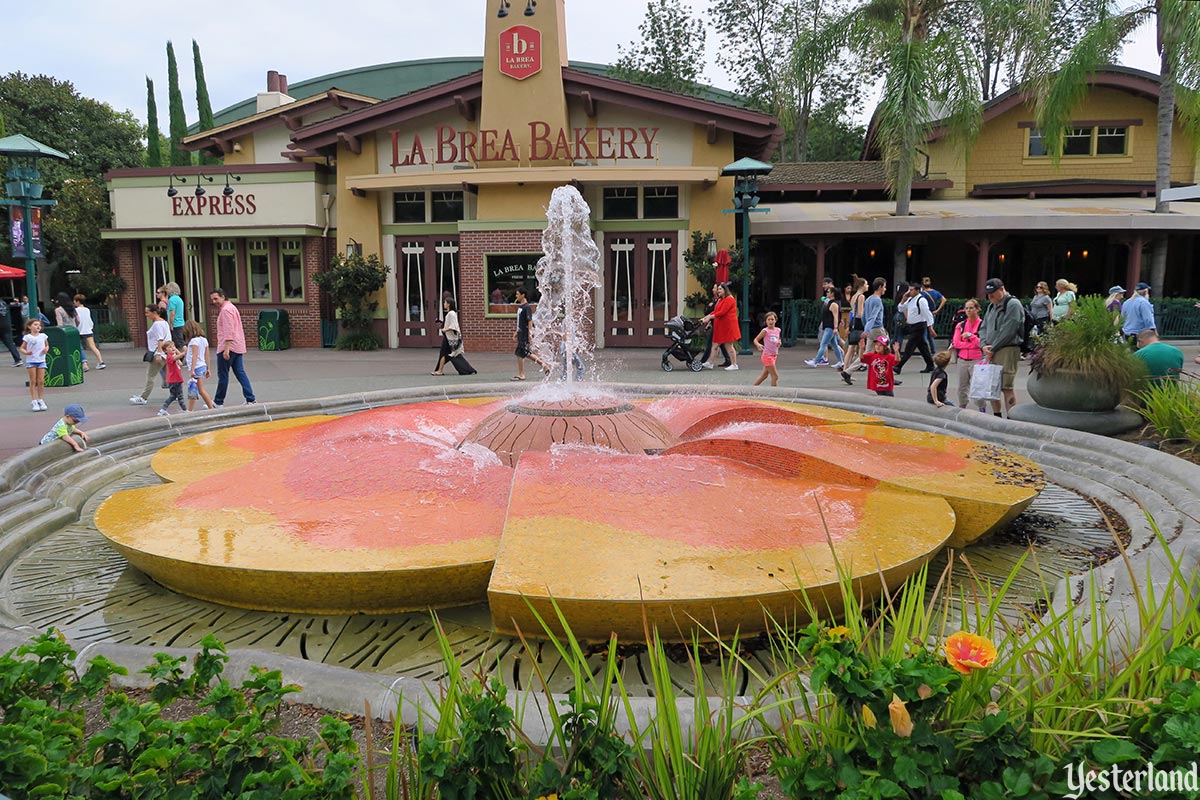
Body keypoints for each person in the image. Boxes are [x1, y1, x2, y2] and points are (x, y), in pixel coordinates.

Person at [979, 278, 1024, 417]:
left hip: (1007, 348)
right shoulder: (991, 306)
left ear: (1001, 289)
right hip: (991, 349)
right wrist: (983, 345)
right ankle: (997, 415)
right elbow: (984, 327)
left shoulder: (1013, 304)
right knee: (992, 386)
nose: (990, 296)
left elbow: (1009, 330)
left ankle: (1011, 417)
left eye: (993, 293)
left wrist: (992, 348)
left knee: (1006, 386)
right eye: (988, 294)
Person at [210, 288, 256, 405]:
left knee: (223, 375)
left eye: (216, 298)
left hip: (228, 347)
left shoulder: (225, 310)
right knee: (240, 372)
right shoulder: (232, 307)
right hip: (238, 346)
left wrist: (226, 349)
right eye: (212, 299)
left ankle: (218, 401)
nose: (214, 301)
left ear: (223, 297)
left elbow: (229, 330)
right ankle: (250, 398)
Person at [950, 298, 987, 411]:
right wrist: (973, 344)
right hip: (962, 359)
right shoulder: (960, 325)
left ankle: (981, 408)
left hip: (977, 359)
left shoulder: (982, 325)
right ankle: (962, 406)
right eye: (966, 308)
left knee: (978, 386)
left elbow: (983, 343)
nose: (968, 310)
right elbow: (956, 343)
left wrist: (971, 336)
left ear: (977, 309)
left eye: (971, 308)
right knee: (962, 387)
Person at [130, 305, 170, 405]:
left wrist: (159, 354)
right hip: (166, 354)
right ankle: (177, 394)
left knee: (151, 376)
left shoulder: (157, 324)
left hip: (159, 353)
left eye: (148, 312)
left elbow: (160, 339)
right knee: (169, 376)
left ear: (154, 312)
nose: (146, 315)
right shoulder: (164, 322)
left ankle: (143, 397)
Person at [895, 283, 935, 374]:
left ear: (917, 290)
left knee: (910, 347)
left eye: (912, 290)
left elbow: (927, 314)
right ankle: (930, 365)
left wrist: (930, 327)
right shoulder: (910, 299)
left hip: (919, 326)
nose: (910, 292)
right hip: (912, 326)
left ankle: (899, 366)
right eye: (909, 290)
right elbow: (900, 309)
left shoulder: (921, 300)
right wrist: (903, 299)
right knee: (922, 347)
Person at [432, 298, 476, 376]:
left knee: (443, 353)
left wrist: (445, 330)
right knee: (451, 354)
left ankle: (439, 371)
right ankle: (467, 369)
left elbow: (454, 326)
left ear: (449, 304)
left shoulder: (451, 313)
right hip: (449, 337)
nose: (444, 304)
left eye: (445, 303)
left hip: (450, 338)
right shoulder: (451, 313)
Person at [701, 282, 740, 371]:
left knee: (729, 345)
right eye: (718, 289)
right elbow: (716, 311)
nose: (718, 291)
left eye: (720, 289)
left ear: (725, 290)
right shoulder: (721, 299)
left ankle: (734, 364)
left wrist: (710, 317)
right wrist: (706, 317)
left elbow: (722, 312)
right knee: (715, 344)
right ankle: (710, 363)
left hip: (728, 325)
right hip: (721, 325)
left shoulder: (729, 299)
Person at [806, 286, 844, 369]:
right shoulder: (829, 302)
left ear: (833, 293)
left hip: (830, 327)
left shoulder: (834, 304)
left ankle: (815, 361)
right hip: (827, 325)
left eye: (828, 292)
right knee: (834, 345)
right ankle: (841, 362)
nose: (826, 293)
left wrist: (835, 327)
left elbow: (835, 317)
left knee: (823, 344)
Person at [182, 320, 214, 410]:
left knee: (194, 389)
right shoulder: (204, 340)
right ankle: (210, 407)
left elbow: (194, 355)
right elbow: (207, 355)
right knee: (198, 389)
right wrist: (208, 368)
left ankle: (190, 410)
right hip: (202, 366)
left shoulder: (193, 341)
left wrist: (192, 370)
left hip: (196, 367)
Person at [19, 318, 48, 412]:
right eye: (35, 324)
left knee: (41, 381)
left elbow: (47, 345)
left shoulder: (43, 336)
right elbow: (22, 348)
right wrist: (27, 352)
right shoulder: (27, 337)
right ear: (29, 326)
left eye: (39, 325)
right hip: (31, 361)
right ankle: (34, 400)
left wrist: (46, 349)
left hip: (41, 360)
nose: (38, 326)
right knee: (33, 381)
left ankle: (41, 399)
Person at [53, 292, 87, 371]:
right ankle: (84, 363)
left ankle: (68, 365)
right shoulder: (72, 308)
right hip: (74, 330)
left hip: (65, 331)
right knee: (78, 347)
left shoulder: (58, 310)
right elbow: (78, 320)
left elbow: (60, 323)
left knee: (65, 348)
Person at [699, 284, 730, 369]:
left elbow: (719, 312)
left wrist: (708, 317)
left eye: (717, 288)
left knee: (712, 343)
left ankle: (704, 361)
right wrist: (707, 320)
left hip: (719, 324)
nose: (714, 290)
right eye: (717, 288)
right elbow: (713, 312)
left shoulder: (722, 300)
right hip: (715, 323)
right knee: (720, 344)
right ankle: (728, 360)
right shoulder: (717, 299)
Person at [841, 276, 868, 375]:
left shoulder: (853, 296)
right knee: (862, 346)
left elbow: (852, 312)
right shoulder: (861, 296)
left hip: (854, 322)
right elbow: (860, 313)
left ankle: (845, 369)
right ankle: (850, 369)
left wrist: (849, 325)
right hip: (860, 322)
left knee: (851, 347)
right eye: (866, 284)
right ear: (862, 286)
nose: (867, 286)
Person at [73, 294, 105, 369]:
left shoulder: (75, 310)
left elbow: (76, 320)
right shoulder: (87, 310)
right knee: (93, 346)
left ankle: (85, 364)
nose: (73, 302)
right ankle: (101, 362)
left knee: (79, 347)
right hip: (88, 330)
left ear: (78, 301)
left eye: (74, 301)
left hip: (79, 330)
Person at [157, 341, 187, 416]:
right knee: (179, 396)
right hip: (174, 380)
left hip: (177, 379)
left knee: (173, 396)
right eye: (170, 347)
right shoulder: (169, 357)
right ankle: (185, 410)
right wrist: (183, 353)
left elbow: (180, 363)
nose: (172, 348)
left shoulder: (173, 356)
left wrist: (176, 352)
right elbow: (176, 357)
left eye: (173, 346)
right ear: (165, 351)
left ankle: (163, 409)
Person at [1120, 282, 1156, 347]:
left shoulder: (1127, 302)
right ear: (1145, 292)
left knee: (1132, 354)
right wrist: (1153, 332)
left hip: (1127, 333)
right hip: (1140, 334)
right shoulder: (1144, 302)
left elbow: (1122, 318)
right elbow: (1148, 320)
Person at [753, 311, 782, 387]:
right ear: (766, 321)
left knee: (764, 376)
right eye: (768, 320)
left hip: (774, 355)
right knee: (775, 376)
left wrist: (779, 342)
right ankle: (774, 393)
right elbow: (755, 340)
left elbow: (778, 339)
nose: (770, 321)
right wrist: (758, 345)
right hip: (767, 356)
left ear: (775, 320)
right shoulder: (765, 331)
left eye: (772, 319)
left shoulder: (778, 330)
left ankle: (752, 388)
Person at [920, 277, 946, 353]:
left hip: (924, 314)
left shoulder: (922, 293)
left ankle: (925, 351)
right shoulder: (936, 292)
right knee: (930, 333)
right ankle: (933, 350)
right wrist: (937, 310)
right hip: (932, 314)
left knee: (924, 333)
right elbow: (944, 299)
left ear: (922, 285)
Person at [0, 297, 21, 366]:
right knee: (10, 343)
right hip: (6, 324)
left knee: (9, 343)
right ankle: (17, 359)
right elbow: (13, 306)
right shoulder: (3, 302)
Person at [164, 282, 186, 348]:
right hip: (181, 323)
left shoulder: (171, 300)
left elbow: (172, 313)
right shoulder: (179, 299)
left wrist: (171, 324)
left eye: (167, 289)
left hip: (175, 324)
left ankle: (185, 354)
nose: (166, 291)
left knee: (179, 342)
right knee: (179, 341)